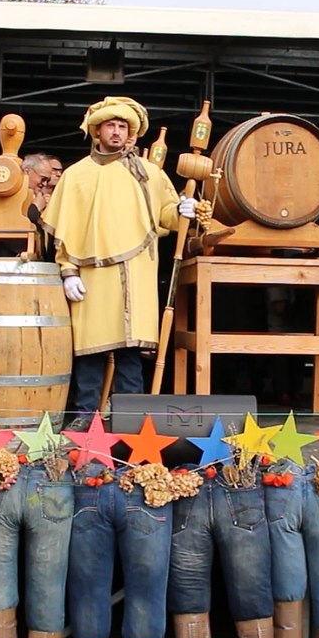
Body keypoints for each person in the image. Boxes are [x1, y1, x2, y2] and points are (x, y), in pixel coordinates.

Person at [40, 96, 193, 431]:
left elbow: (164, 214)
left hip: (135, 270)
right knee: (90, 349)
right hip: (93, 273)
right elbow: (63, 233)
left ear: (131, 133)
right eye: (111, 125)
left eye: (123, 126)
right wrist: (67, 272)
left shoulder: (149, 173)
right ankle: (84, 415)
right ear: (97, 131)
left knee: (130, 351)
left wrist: (181, 210)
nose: (117, 132)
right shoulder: (76, 175)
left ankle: (131, 418)